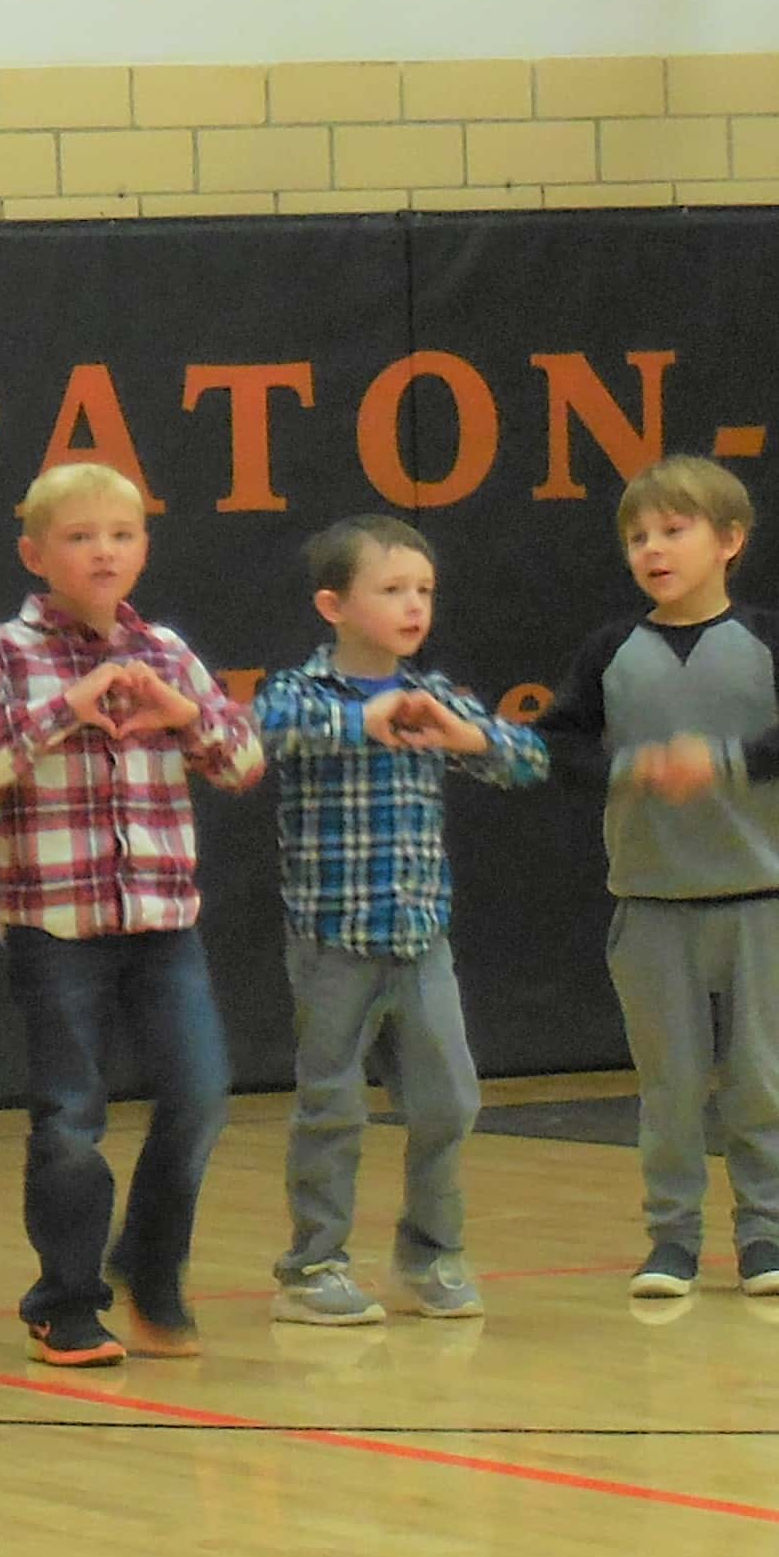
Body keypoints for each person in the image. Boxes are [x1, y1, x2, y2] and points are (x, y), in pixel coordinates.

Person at [0, 462, 264, 1368]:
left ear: (144, 549)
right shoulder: (4, 651)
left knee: (199, 1094)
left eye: (119, 535)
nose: (103, 552)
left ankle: (151, 1266)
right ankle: (65, 1298)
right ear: (36, 554)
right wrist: (61, 713)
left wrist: (181, 712)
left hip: (162, 918)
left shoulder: (164, 650)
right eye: (80, 538)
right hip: (55, 924)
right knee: (71, 1114)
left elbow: (241, 764)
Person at [530, 455, 779, 1303]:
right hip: (650, 906)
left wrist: (729, 760)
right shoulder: (611, 650)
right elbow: (555, 742)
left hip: (760, 901)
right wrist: (628, 769)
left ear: (730, 541)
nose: (653, 548)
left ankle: (764, 1238)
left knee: (758, 1083)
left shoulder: (771, 639)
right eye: (638, 536)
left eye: (674, 531)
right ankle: (672, 1241)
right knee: (669, 1090)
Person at [253, 515, 547, 1325]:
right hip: (333, 940)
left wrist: (468, 736)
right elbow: (255, 734)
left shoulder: (436, 695)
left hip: (420, 940)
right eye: (391, 590)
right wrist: (359, 723)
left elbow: (529, 760)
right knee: (332, 1106)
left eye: (423, 590)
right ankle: (312, 1267)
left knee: (449, 1099)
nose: (414, 605)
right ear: (333, 604)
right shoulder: (302, 692)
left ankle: (429, 1254)